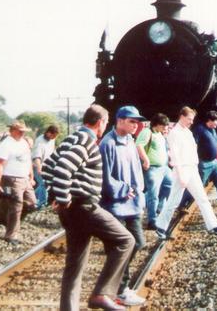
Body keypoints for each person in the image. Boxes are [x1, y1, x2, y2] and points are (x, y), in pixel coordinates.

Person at [45, 104, 133, 311]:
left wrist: (54, 195)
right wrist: (63, 196)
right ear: (100, 122)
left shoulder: (71, 138)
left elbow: (48, 167)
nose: (105, 126)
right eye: (106, 122)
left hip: (72, 211)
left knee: (74, 264)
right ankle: (102, 294)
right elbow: (63, 169)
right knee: (125, 240)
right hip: (84, 207)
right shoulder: (86, 140)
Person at [154, 107, 217, 240]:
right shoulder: (174, 133)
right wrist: (181, 174)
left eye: (192, 119)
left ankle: (214, 226)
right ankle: (160, 228)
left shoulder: (187, 132)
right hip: (181, 170)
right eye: (189, 119)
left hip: (192, 169)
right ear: (181, 117)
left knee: (202, 198)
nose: (191, 122)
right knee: (174, 200)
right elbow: (175, 155)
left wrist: (194, 167)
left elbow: (193, 151)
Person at [100, 105, 147, 306]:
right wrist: (122, 190)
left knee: (138, 242)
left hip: (133, 203)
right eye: (132, 121)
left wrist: (140, 192)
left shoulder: (130, 140)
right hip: (116, 205)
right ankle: (120, 290)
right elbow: (104, 178)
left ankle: (118, 287)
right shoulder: (107, 144)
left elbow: (136, 170)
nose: (136, 125)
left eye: (137, 122)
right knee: (120, 248)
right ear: (119, 120)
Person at [180, 110, 217, 216]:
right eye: (216, 121)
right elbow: (193, 146)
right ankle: (182, 204)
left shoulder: (212, 129)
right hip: (204, 163)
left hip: (214, 163)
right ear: (210, 120)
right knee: (197, 186)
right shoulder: (199, 130)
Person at [0, 120, 36, 244]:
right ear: (12, 130)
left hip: (24, 178)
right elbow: (0, 165)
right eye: (20, 131)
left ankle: (13, 225)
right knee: (16, 206)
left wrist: (31, 177)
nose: (22, 133)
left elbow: (28, 162)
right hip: (12, 178)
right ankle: (10, 235)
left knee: (32, 203)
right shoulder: (6, 145)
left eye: (23, 131)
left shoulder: (24, 143)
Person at [136, 113, 172, 230]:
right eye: (163, 125)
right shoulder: (147, 132)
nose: (165, 128)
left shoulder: (159, 133)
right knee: (153, 195)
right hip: (153, 168)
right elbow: (139, 145)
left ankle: (159, 207)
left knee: (170, 185)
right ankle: (152, 220)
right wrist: (146, 160)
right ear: (156, 124)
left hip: (164, 168)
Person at [31, 125, 59, 209]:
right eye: (53, 136)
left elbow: (52, 152)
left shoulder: (52, 139)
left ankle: (32, 197)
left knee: (45, 185)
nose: (53, 138)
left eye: (55, 137)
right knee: (43, 183)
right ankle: (41, 204)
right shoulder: (39, 142)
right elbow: (36, 157)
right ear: (48, 133)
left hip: (47, 166)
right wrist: (39, 169)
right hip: (37, 165)